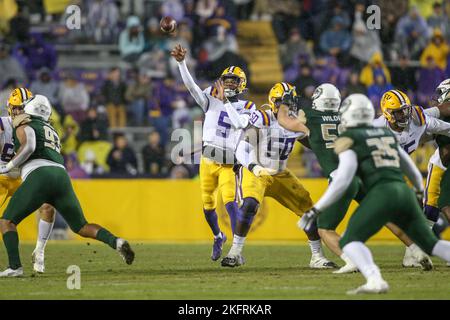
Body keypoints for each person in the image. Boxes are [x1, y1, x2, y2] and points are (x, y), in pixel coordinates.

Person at [299, 94, 450, 294]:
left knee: (348, 240)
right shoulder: (385, 133)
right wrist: (418, 189)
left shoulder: (358, 136)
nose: (403, 115)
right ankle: (415, 250)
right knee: (428, 241)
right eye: (397, 112)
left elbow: (344, 177)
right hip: (400, 188)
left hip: (379, 189)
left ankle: (374, 279)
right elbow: (409, 166)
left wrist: (317, 208)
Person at [0, 94, 134, 277]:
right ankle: (116, 242)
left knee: (7, 221)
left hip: (39, 174)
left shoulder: (26, 125)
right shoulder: (52, 129)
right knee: (81, 226)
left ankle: (15, 267)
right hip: (61, 176)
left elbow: (29, 147)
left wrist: (6, 166)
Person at [220, 82, 337, 269]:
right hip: (256, 169)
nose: (287, 106)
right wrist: (253, 167)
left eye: (290, 102)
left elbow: (317, 145)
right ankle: (234, 252)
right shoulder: (263, 118)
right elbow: (242, 148)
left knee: (309, 210)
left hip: (281, 172)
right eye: (283, 102)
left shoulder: (295, 123)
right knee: (250, 203)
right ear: (273, 102)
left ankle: (317, 256)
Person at [171, 43, 255, 261]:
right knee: (208, 206)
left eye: (233, 81)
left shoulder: (247, 107)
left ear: (241, 84)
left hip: (228, 163)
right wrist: (181, 64)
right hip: (207, 159)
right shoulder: (211, 97)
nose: (228, 84)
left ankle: (237, 250)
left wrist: (225, 102)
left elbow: (239, 125)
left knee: (230, 204)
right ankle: (218, 236)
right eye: (225, 80)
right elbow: (192, 89)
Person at [373, 89, 450, 267]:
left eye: (404, 109)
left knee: (412, 211)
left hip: (399, 172)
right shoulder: (375, 129)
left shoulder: (417, 119)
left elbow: (442, 127)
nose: (403, 114)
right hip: (377, 174)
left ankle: (411, 254)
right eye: (398, 111)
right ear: (387, 112)